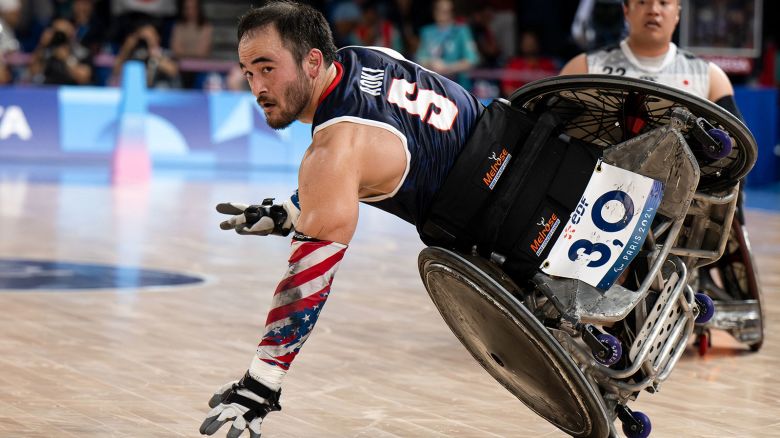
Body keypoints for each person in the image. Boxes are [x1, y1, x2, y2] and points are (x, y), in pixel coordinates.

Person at [200, 2, 486, 436]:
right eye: (247, 72)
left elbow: (308, 278)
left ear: (312, 60)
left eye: (267, 69)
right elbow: (385, 147)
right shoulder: (366, 57)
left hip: (498, 228)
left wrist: (261, 383)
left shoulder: (330, 152)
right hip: (514, 145)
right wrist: (292, 210)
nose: (256, 87)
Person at [559, 0, 740, 112]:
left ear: (677, 12)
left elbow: (733, 156)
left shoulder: (710, 77)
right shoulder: (585, 68)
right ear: (626, 11)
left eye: (663, 2)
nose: (653, 10)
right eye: (643, 2)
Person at [415, 0, 479, 90]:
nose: (442, 14)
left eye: (446, 11)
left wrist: (448, 67)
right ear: (434, 11)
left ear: (452, 12)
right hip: (433, 86)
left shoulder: (461, 31)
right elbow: (420, 58)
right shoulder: (427, 32)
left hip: (458, 86)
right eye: (439, 10)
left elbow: (472, 59)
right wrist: (431, 63)